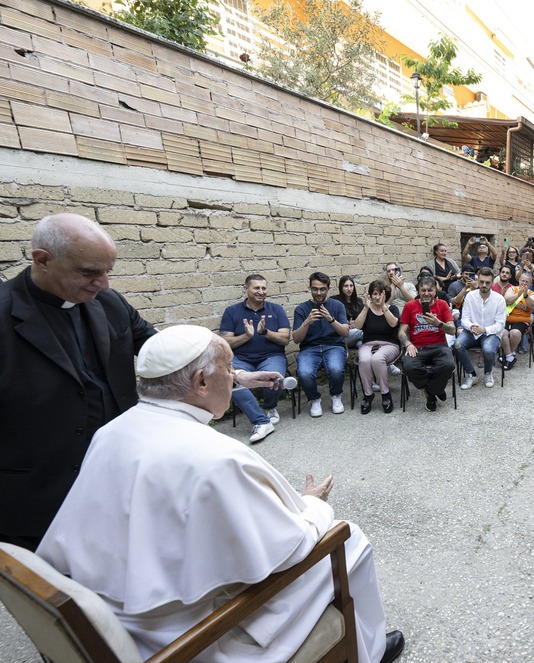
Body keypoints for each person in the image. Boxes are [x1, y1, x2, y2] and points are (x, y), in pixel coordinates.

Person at [36, 326, 405, 663]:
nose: (234, 377)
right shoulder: (215, 457)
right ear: (199, 382)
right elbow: (285, 548)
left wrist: (239, 378)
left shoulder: (111, 432)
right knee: (350, 538)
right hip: (200, 636)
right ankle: (366, 653)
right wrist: (312, 505)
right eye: (230, 369)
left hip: (129, 621)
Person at [0, 214, 283, 551]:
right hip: (42, 489)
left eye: (108, 271)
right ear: (43, 260)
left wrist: (233, 375)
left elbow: (166, 354)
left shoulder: (109, 303)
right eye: (90, 272)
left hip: (119, 470)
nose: (103, 283)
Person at [219, 274, 291, 443]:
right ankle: (261, 420)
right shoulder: (232, 311)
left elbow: (285, 339)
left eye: (264, 288)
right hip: (241, 358)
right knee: (229, 378)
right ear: (245, 289)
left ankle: (270, 407)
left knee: (275, 375)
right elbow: (224, 342)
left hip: (271, 356)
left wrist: (265, 332)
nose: (261, 291)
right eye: (256, 288)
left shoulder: (276, 310)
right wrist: (247, 336)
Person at [293, 272, 350, 418]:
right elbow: (296, 339)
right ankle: (315, 399)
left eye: (322, 289)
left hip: (334, 346)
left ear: (328, 288)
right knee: (304, 373)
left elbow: (345, 333)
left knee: (336, 368)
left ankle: (336, 396)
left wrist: (331, 319)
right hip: (309, 349)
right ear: (310, 288)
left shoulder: (337, 306)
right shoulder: (301, 309)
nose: (318, 293)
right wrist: (306, 322)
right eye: (315, 289)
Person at [398, 276, 457, 411]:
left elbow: (453, 330)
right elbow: (402, 331)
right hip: (418, 347)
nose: (426, 293)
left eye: (430, 290)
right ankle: (437, 388)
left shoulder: (442, 304)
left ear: (435, 290)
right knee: (408, 366)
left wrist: (438, 323)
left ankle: (431, 391)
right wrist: (407, 343)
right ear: (418, 291)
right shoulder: (410, 306)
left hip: (439, 346)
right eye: (423, 290)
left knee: (448, 365)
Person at [454, 267, 506, 389]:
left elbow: (500, 325)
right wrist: (471, 326)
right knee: (457, 344)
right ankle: (472, 374)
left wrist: (484, 329)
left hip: (490, 333)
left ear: (492, 282)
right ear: (477, 280)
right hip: (472, 331)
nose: (484, 285)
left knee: (488, 349)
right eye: (481, 282)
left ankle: (488, 373)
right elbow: (464, 318)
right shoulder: (470, 296)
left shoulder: (499, 299)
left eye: (487, 282)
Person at [356, 280, 400, 415]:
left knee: (377, 359)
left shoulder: (392, 308)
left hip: (389, 344)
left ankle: (385, 393)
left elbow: (393, 324)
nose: (377, 297)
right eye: (374, 294)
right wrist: (365, 308)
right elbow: (357, 326)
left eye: (381, 294)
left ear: (385, 295)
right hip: (368, 344)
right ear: (369, 295)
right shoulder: (366, 309)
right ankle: (368, 394)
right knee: (363, 360)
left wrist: (383, 306)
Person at [502, 272, 534, 368]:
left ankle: (506, 355)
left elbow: (531, 305)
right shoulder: (512, 289)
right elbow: (507, 300)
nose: (524, 283)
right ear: (519, 280)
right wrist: (518, 295)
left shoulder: (532, 293)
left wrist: (525, 296)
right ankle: (509, 356)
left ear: (530, 283)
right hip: (507, 319)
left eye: (527, 282)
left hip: (522, 321)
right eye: (522, 281)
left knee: (515, 333)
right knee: (502, 333)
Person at [336, 275, 364, 349]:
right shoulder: (335, 301)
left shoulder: (359, 301)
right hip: (343, 335)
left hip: (355, 335)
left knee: (361, 344)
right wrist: (346, 324)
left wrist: (356, 324)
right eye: (346, 286)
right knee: (362, 333)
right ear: (341, 288)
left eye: (351, 286)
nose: (349, 289)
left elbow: (362, 319)